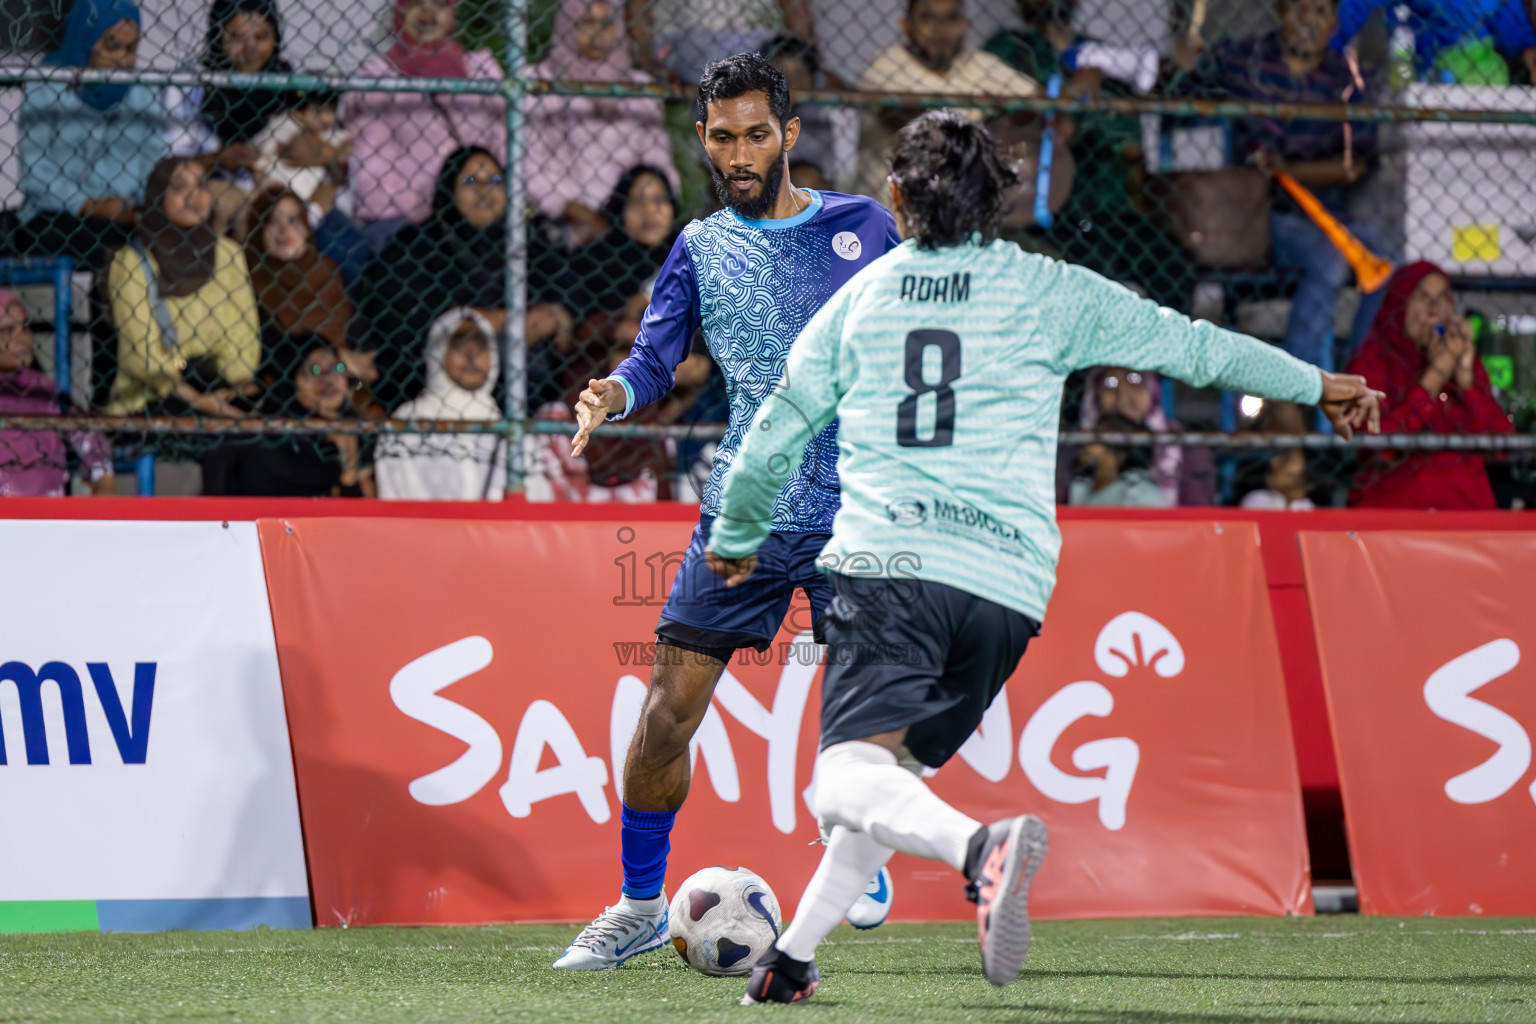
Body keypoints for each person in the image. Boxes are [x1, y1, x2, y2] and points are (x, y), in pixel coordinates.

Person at [701, 110, 1382, 1004]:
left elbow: (777, 427)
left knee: (842, 780)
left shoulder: (860, 299)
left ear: (896, 198)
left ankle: (978, 851)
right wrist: (1316, 381)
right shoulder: (1052, 290)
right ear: (1002, 206)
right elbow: (1195, 346)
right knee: (889, 776)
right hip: (1005, 590)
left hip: (895, 566)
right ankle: (792, 959)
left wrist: (738, 533)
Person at [554, 52, 901, 970]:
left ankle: (857, 849)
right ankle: (637, 904)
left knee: (864, 710)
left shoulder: (868, 230)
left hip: (857, 512)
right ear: (701, 140)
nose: (739, 153)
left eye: (756, 134)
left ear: (789, 135)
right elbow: (654, 358)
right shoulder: (702, 246)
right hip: (744, 515)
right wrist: (613, 397)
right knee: (667, 711)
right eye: (721, 137)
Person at [1173, 0, 1395, 375]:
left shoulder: (1344, 79)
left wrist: (1290, 169)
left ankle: (1360, 370)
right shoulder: (1243, 59)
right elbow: (1185, 87)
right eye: (1300, 9)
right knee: (1328, 258)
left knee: (1388, 260)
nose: (1310, 21)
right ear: (1280, 12)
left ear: (1334, 23)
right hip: (1258, 214)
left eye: (1321, 12)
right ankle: (1303, 387)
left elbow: (1353, 165)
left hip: (1325, 212)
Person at [356, 147, 571, 409]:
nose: (484, 190)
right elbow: (402, 320)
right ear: (450, 190)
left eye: (495, 181)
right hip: (427, 389)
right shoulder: (416, 247)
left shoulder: (532, 244)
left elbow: (566, 304)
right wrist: (503, 321)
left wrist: (556, 318)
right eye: (470, 181)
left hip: (527, 393)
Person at [1346, 261, 1513, 509]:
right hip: (1392, 511)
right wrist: (1435, 376)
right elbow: (1377, 448)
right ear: (1399, 306)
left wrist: (1465, 377)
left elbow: (1502, 446)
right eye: (1422, 298)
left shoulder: (1462, 361)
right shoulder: (1371, 362)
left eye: (1442, 298)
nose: (1434, 310)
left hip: (1468, 514)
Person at [15, 0, 166, 271]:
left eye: (130, 49)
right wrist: (87, 204)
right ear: (86, 40)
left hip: (125, 217)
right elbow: (35, 168)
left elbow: (154, 161)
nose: (123, 59)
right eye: (112, 45)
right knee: (99, 245)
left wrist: (139, 209)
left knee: (169, 238)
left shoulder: (142, 93)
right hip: (60, 214)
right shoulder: (46, 84)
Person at [105, 156, 260, 418]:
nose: (194, 196)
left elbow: (245, 341)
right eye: (178, 187)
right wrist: (196, 398)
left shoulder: (229, 254)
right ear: (158, 197)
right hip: (153, 400)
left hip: (222, 390)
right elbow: (141, 357)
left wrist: (225, 387)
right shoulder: (131, 261)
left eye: (201, 186)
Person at [348, 0, 506, 249]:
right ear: (400, 11)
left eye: (439, 4)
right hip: (408, 222)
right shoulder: (377, 78)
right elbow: (371, 169)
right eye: (417, 4)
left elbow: (503, 141)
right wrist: (434, 210)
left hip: (481, 207)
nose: (429, 14)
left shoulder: (480, 70)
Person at [525, 0, 678, 244]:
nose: (597, 34)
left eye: (607, 23)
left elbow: (657, 158)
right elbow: (531, 162)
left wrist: (645, 206)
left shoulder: (639, 86)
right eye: (586, 23)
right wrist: (573, 209)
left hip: (634, 217)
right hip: (566, 220)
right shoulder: (540, 82)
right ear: (566, 25)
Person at [854, 0, 1039, 199]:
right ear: (906, 25)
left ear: (965, 23)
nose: (940, 29)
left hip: (958, 207)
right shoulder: (887, 63)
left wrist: (1007, 116)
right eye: (927, 18)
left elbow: (1037, 101)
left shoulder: (976, 63)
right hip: (889, 204)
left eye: (950, 18)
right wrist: (976, 103)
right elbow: (897, 117)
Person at [164, 0, 294, 234]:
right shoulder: (193, 83)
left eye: (262, 36)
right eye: (238, 37)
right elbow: (170, 163)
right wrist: (219, 158)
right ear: (217, 37)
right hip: (202, 196)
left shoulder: (287, 83)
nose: (251, 49)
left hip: (270, 198)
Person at [203, 338, 373, 496]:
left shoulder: (359, 433)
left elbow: (362, 512)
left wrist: (350, 464)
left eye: (338, 367)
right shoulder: (268, 433)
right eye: (313, 369)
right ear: (293, 381)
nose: (328, 377)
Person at [375, 308, 505, 501]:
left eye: (481, 346)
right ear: (438, 352)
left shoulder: (504, 422)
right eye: (459, 345)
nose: (471, 355)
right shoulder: (407, 421)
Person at [0, 293, 115, 497]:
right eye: (7, 330)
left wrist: (103, 478)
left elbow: (89, 436)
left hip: (46, 511)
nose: (22, 339)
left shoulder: (40, 388)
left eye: (25, 327)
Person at [1067, 366, 1215, 505]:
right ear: (1095, 392)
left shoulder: (1188, 448)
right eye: (1110, 383)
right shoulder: (1074, 444)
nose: (1123, 394)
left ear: (1151, 388)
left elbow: (1197, 516)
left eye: (1135, 379)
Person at [251, 89, 352, 205]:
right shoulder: (286, 124)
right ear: (301, 110)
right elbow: (260, 163)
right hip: (279, 191)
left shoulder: (332, 133)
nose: (328, 118)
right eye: (320, 111)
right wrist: (332, 155)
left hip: (312, 198)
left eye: (332, 111)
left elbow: (344, 157)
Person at [1067, 413, 1173, 507]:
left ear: (1118, 452)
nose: (1087, 447)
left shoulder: (1136, 492)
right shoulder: (1081, 486)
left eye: (1096, 441)